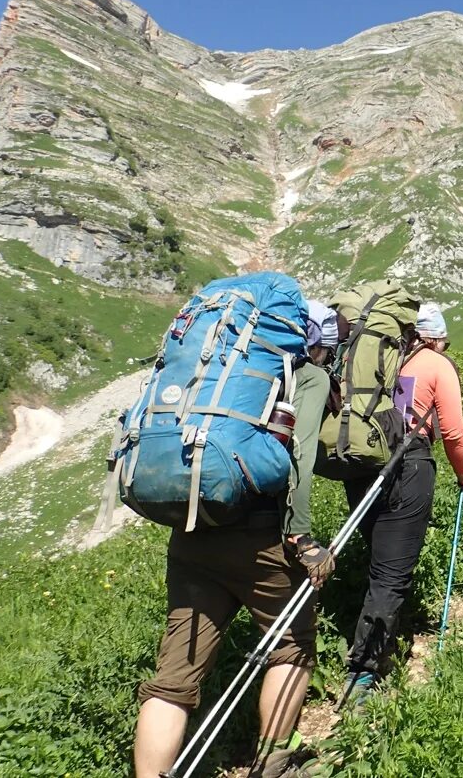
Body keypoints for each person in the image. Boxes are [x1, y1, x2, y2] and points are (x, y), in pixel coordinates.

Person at [134, 300, 341, 778]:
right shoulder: (305, 375)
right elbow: (301, 455)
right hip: (259, 538)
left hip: (192, 531)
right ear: (313, 342)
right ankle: (274, 763)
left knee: (172, 680)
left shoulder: (221, 369)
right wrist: (301, 536)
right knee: (291, 644)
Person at [339, 303, 463, 705]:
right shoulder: (436, 364)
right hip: (409, 464)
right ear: (437, 337)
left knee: (380, 562)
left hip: (363, 464)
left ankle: (381, 636)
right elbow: (451, 430)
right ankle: (364, 672)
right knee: (391, 573)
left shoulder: (377, 359)